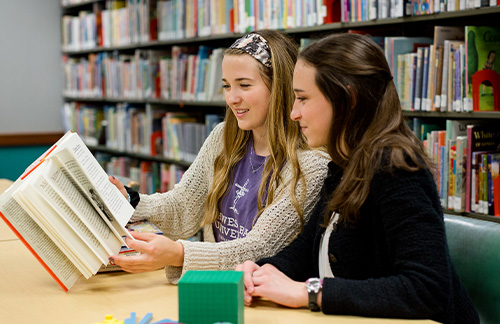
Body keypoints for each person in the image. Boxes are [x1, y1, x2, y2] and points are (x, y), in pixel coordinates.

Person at [236, 33, 479, 324]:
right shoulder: (343, 163)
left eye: (302, 98)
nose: (293, 113)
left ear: (348, 99)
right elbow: (305, 249)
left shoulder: (396, 168)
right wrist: (262, 272)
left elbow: (425, 289)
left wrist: (309, 293)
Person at [108, 30, 329, 283]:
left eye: (244, 85)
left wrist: (180, 254)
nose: (232, 98)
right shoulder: (223, 137)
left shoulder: (311, 164)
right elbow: (183, 207)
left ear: (279, 87)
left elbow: (260, 248)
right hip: (215, 289)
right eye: (226, 86)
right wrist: (130, 201)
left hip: (262, 297)